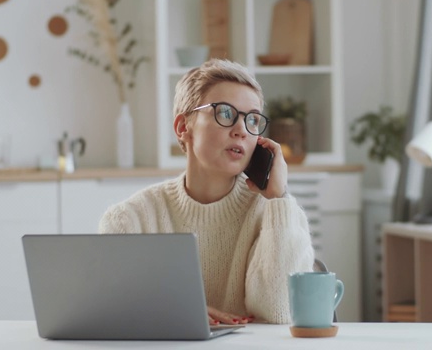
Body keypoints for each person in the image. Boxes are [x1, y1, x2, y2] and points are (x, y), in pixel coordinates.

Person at [99, 59, 315, 325]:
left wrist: (277, 201)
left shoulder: (279, 215)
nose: (240, 130)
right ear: (182, 128)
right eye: (225, 113)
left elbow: (278, 313)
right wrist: (176, 314)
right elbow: (112, 318)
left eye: (253, 119)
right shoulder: (130, 220)